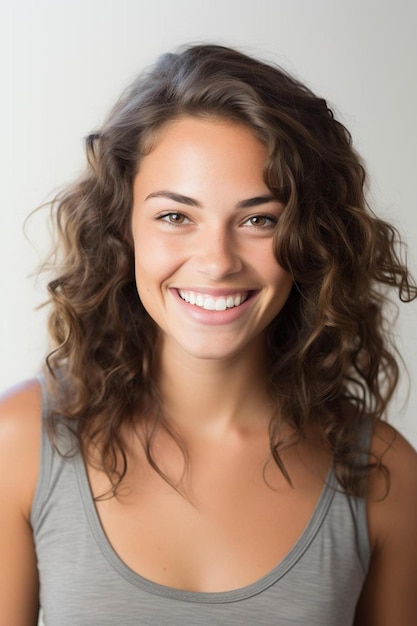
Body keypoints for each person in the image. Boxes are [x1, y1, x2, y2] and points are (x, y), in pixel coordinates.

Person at [1, 44, 416, 626]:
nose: (217, 261)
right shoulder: (19, 443)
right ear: (124, 230)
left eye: (258, 220)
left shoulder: (382, 474)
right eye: (176, 216)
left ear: (312, 240)